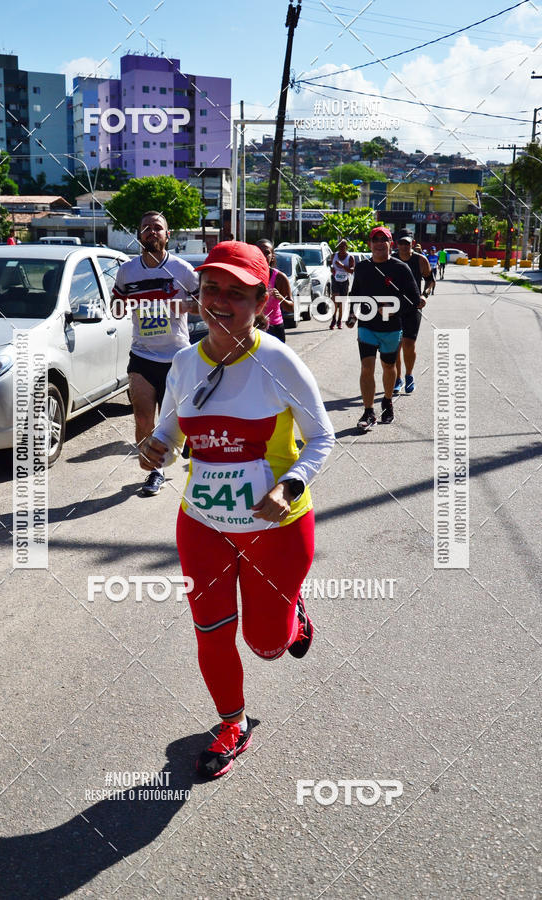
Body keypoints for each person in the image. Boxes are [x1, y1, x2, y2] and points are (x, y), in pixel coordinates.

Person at [139, 241, 334, 778]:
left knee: (266, 645)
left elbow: (322, 437)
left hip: (276, 527)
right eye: (211, 288)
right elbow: (170, 433)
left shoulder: (278, 362)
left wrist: (288, 487)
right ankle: (231, 722)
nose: (220, 300)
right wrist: (154, 448)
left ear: (261, 299)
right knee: (211, 631)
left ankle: (291, 623)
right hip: (203, 525)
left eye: (235, 292)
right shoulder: (183, 364)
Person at [111, 210, 199, 495]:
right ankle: (154, 471)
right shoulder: (127, 271)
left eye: (157, 227)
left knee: (179, 417)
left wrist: (180, 307)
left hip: (178, 357)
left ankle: (184, 443)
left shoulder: (184, 270)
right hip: (143, 356)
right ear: (139, 235)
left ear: (167, 235)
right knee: (143, 418)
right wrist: (124, 306)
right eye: (145, 227)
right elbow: (116, 306)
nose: (151, 231)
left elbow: (204, 307)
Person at [348, 226, 422, 430]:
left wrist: (393, 308)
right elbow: (355, 294)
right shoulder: (362, 268)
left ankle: (387, 401)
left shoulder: (400, 268)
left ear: (391, 243)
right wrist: (353, 315)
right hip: (367, 326)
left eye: (384, 239)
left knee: (389, 367)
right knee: (366, 367)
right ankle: (368, 411)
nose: (379, 243)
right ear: (370, 244)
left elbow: (414, 300)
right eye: (375, 239)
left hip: (391, 328)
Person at [392, 233, 433, 396]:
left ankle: (409, 375)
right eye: (401, 243)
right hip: (394, 306)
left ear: (412, 243)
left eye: (407, 243)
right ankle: (397, 379)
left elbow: (430, 280)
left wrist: (425, 294)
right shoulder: (391, 260)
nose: (404, 246)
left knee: (408, 344)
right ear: (397, 244)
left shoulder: (420, 260)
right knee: (395, 344)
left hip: (413, 307)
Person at [255, 238, 294, 342]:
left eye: (267, 253)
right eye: (259, 252)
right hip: (253, 328)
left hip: (274, 329)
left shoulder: (279, 278)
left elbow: (292, 307)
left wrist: (281, 298)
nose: (263, 256)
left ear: (272, 256)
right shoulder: (247, 276)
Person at [329, 238, 355, 329]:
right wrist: (332, 268)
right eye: (340, 246)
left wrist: (342, 266)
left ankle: (339, 320)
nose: (341, 248)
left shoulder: (350, 257)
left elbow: (352, 271)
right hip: (335, 279)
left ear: (346, 247)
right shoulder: (334, 256)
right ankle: (333, 319)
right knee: (335, 300)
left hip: (344, 280)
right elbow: (331, 265)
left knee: (342, 302)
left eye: (343, 246)